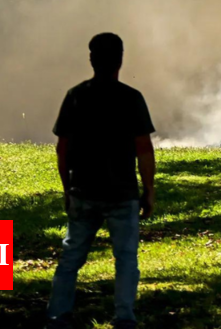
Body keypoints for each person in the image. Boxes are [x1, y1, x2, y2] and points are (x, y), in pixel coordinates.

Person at [46, 33, 157, 329]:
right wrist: (149, 190)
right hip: (122, 194)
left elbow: (63, 149)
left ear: (92, 60)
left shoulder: (76, 96)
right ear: (120, 60)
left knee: (71, 258)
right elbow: (144, 150)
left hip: (84, 191)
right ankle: (124, 317)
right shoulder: (131, 98)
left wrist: (67, 188)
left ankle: (58, 316)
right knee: (126, 260)